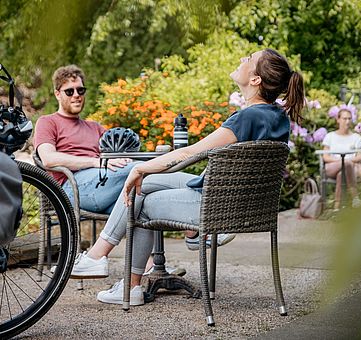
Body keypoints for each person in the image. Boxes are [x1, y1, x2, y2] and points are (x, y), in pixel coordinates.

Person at [93, 48, 305, 307]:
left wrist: (139, 168)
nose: (242, 59)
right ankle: (104, 256)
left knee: (140, 198)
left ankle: (128, 284)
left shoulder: (248, 117)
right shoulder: (276, 117)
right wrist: (144, 172)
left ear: (256, 79)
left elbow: (191, 152)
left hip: (214, 207)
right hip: (236, 204)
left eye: (249, 59)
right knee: (145, 184)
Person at [34, 65, 233, 279]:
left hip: (106, 186)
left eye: (80, 90)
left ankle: (142, 268)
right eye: (69, 91)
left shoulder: (95, 127)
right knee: (143, 170)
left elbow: (117, 159)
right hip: (72, 188)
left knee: (143, 198)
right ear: (57, 93)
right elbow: (48, 159)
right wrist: (96, 162)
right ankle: (208, 193)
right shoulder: (48, 122)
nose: (76, 96)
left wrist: (122, 161)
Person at [322, 108, 361, 210]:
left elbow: (360, 156)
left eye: (349, 119)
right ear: (338, 119)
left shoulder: (356, 137)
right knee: (347, 164)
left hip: (351, 169)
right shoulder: (330, 136)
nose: (347, 121)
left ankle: (336, 207)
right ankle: (355, 198)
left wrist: (346, 163)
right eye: (345, 118)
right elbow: (325, 157)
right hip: (333, 167)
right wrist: (343, 161)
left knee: (342, 173)